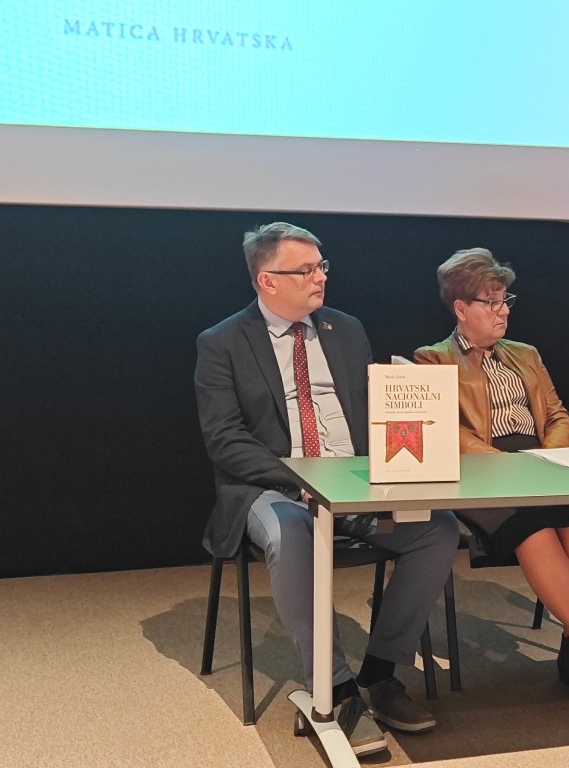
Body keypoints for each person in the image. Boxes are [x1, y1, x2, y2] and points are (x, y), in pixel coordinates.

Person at [194, 222, 459, 755]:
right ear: (268, 281)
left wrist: (405, 395)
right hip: (270, 487)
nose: (321, 277)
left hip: (353, 480)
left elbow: (374, 411)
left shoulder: (346, 329)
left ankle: (380, 674)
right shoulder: (222, 342)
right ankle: (336, 691)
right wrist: (301, 479)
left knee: (437, 529)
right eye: (306, 270)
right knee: (291, 532)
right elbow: (224, 440)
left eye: (322, 266)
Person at [414, 248, 569, 711]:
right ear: (461, 308)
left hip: (541, 463)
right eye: (491, 303)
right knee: (533, 527)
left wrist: (549, 458)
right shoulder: (432, 360)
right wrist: (507, 465)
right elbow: (446, 431)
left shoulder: (526, 355)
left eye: (506, 301)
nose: (503, 312)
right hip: (482, 471)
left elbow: (558, 415)